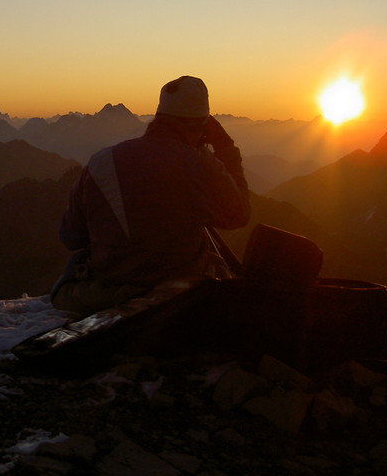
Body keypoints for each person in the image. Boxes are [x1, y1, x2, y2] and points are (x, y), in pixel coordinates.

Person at [51, 75, 250, 315]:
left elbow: (71, 237)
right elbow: (238, 215)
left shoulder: (100, 162)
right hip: (179, 293)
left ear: (158, 116)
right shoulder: (202, 164)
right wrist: (227, 151)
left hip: (105, 292)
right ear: (202, 126)